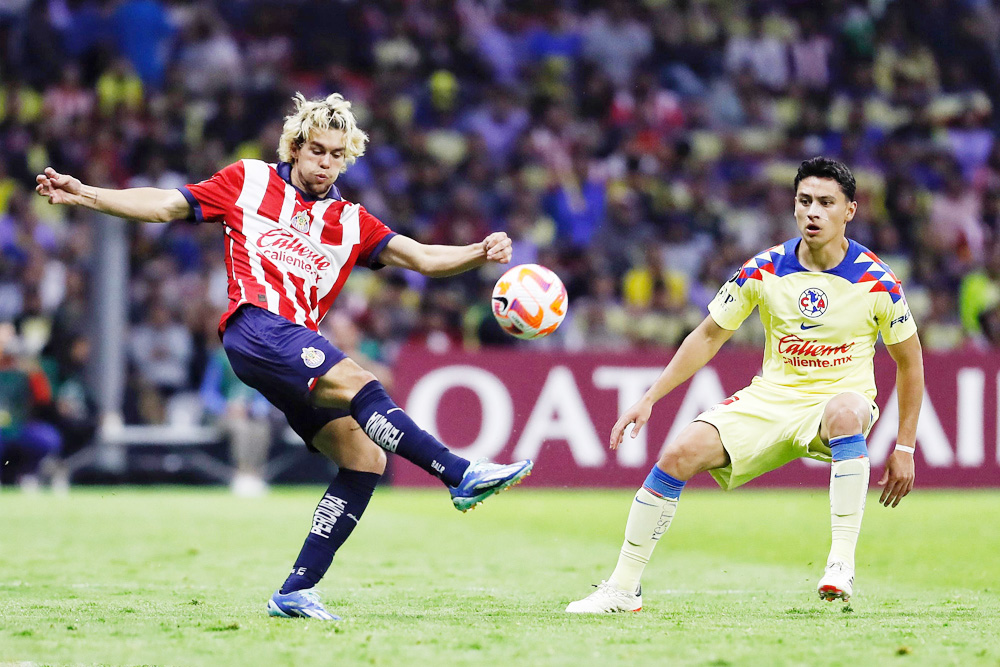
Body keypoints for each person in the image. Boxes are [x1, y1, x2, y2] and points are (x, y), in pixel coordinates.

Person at [35, 92, 533, 621]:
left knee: (365, 458)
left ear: (347, 158)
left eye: (336, 155)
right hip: (255, 326)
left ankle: (295, 590)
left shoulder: (351, 221)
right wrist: (87, 194)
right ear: (295, 148)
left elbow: (425, 258)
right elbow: (166, 204)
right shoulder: (248, 181)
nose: (325, 163)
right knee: (359, 380)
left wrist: (478, 252)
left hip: (294, 344)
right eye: (316, 150)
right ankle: (458, 473)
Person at [566, 157, 924, 613]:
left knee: (845, 411)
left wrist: (906, 447)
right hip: (772, 398)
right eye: (804, 201)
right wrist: (650, 398)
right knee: (677, 454)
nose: (813, 212)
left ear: (849, 211)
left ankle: (840, 563)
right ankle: (622, 588)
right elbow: (709, 335)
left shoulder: (878, 280)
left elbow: (910, 363)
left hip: (839, 399)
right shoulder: (763, 269)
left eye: (826, 203)